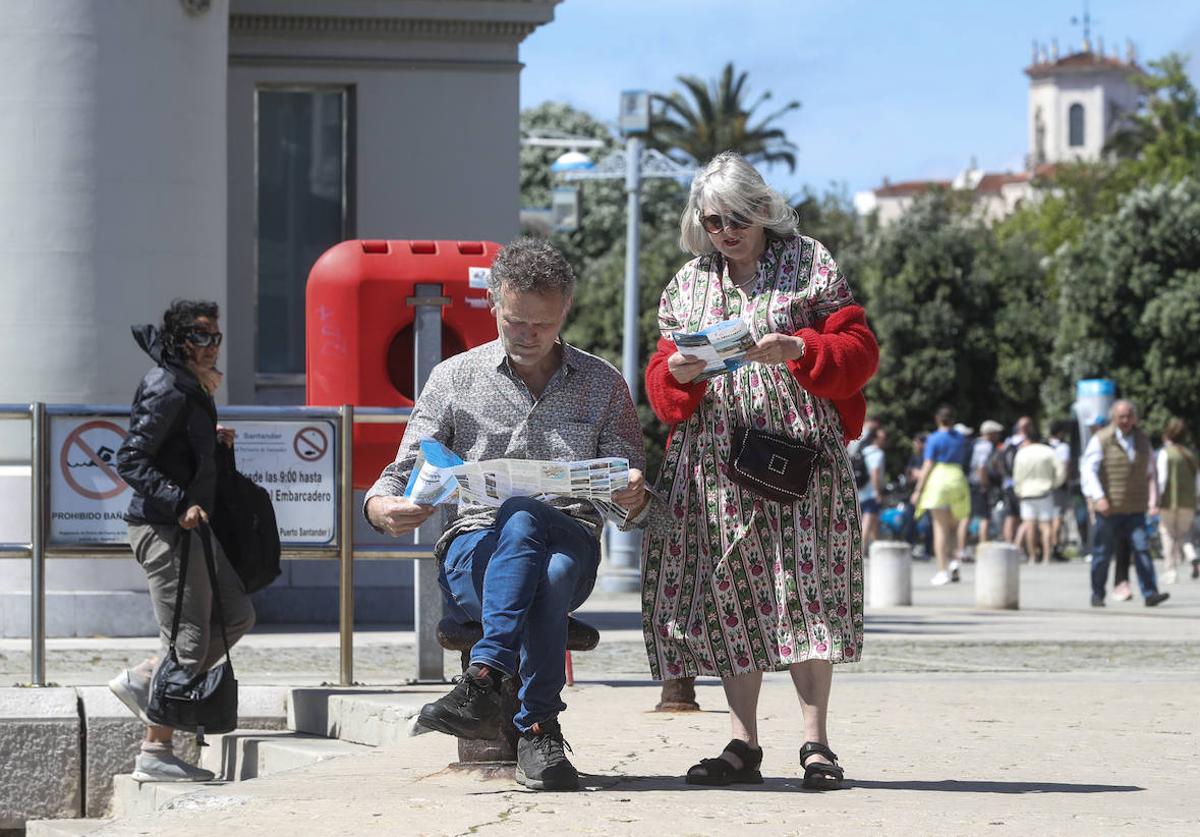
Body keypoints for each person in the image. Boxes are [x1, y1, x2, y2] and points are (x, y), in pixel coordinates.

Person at [364, 237, 649, 792]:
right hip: (477, 545)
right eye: (515, 321)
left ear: (565, 310)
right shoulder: (454, 378)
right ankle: (540, 731)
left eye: (542, 324)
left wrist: (635, 493)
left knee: (533, 524)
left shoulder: (603, 383)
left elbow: (628, 493)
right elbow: (401, 471)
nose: (526, 336)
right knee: (544, 567)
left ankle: (482, 680)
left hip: (570, 534)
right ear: (494, 303)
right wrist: (380, 507)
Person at [641, 152, 878, 791]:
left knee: (805, 587)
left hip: (801, 457)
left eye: (739, 216)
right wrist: (679, 375)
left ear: (763, 210)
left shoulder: (810, 262)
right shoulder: (687, 285)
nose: (728, 230)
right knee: (727, 592)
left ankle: (816, 741)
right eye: (715, 220)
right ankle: (743, 741)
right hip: (713, 466)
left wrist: (803, 348)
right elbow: (661, 387)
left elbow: (859, 353)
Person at [111, 300, 255, 782]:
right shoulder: (167, 386)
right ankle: (155, 751)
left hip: (194, 526)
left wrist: (213, 445)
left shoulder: (191, 385)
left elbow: (174, 451)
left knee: (236, 614)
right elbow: (131, 458)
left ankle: (148, 680)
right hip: (167, 528)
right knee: (189, 641)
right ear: (179, 340)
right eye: (200, 336)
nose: (211, 345)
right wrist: (177, 501)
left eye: (215, 336)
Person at [1079, 400, 1169, 607]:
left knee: (1142, 548)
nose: (1126, 420)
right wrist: (1098, 497)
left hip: (1135, 508)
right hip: (1109, 508)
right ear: (1114, 418)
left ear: (1135, 417)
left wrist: (1153, 501)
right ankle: (1097, 593)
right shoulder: (1101, 439)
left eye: (1129, 416)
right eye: (1122, 417)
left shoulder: (1142, 440)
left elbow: (1150, 473)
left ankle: (1150, 593)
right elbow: (1088, 470)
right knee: (1102, 553)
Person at [910, 405, 970, 586]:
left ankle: (942, 570)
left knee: (940, 528)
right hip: (958, 479)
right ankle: (953, 562)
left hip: (939, 480)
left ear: (938, 419)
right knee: (953, 526)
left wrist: (918, 490)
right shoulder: (960, 438)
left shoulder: (934, 439)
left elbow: (928, 464)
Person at [1012, 424, 1067, 564]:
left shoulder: (1022, 453)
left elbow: (1017, 475)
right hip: (1045, 491)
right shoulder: (1048, 451)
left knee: (1029, 525)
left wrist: (1018, 490)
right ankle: (1046, 556)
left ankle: (1032, 556)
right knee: (1045, 525)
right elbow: (1061, 470)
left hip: (1026, 493)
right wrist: (1055, 484)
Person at [1156, 418, 1199, 585]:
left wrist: (1156, 500)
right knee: (1183, 535)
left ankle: (1171, 570)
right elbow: (1198, 480)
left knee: (1167, 534)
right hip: (1188, 502)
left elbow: (1162, 479)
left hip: (1169, 501)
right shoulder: (1190, 455)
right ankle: (1191, 558)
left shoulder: (1165, 453)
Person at [961, 419, 1004, 557]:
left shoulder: (974, 443)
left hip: (968, 483)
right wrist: (984, 484)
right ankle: (983, 551)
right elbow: (982, 466)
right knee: (985, 517)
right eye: (996, 433)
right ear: (990, 433)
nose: (998, 436)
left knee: (966, 516)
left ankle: (962, 550)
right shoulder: (985, 446)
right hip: (978, 484)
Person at [857, 427, 888, 557]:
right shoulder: (878, 453)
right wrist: (877, 492)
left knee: (874, 520)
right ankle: (860, 551)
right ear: (875, 438)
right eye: (883, 438)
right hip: (870, 493)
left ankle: (877, 549)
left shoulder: (864, 451)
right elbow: (875, 473)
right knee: (868, 521)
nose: (885, 441)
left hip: (860, 491)